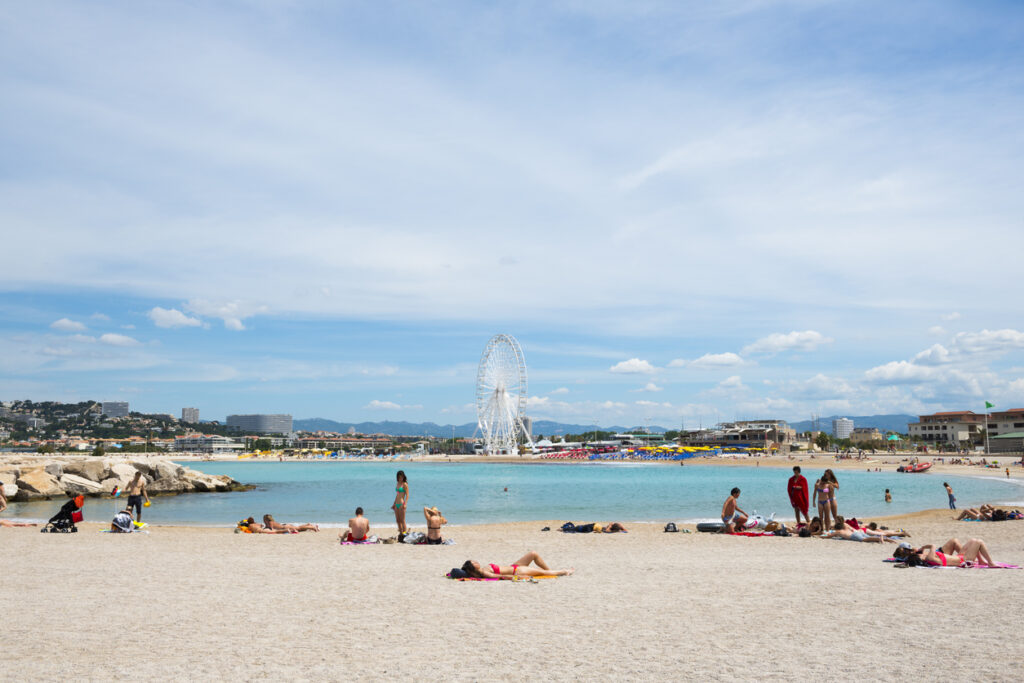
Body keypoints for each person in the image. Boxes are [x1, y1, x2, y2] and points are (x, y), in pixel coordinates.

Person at [461, 551, 574, 579]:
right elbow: (502, 577)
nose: (476, 562)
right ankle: (564, 571)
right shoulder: (485, 573)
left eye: (474, 561)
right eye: (474, 563)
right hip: (518, 571)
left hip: (514, 566)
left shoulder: (483, 569)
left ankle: (550, 571)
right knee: (543, 573)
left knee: (533, 554)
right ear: (472, 569)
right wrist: (520, 577)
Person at [893, 538, 996, 567]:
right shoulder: (930, 559)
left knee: (973, 540)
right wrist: (925, 547)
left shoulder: (929, 559)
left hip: (960, 557)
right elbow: (933, 546)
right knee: (979, 542)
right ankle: (990, 563)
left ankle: (981, 561)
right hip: (963, 559)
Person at [392, 470, 409, 538]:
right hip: (397, 504)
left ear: (403, 477)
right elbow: (397, 494)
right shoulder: (398, 483)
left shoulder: (405, 484)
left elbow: (407, 495)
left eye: (401, 477)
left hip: (402, 503)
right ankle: (401, 533)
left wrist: (405, 504)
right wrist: (394, 503)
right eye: (399, 477)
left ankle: (404, 533)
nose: (400, 478)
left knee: (402, 520)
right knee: (397, 520)